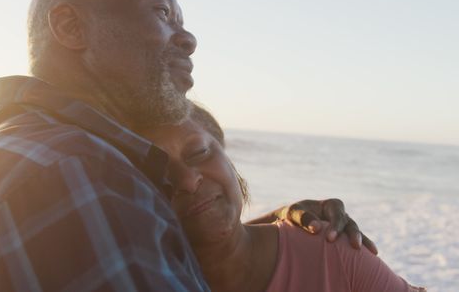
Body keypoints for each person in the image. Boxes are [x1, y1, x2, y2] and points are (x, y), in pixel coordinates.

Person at [0, 0, 372, 291]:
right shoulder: (79, 172)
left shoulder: (1, 148)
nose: (189, 39)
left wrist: (260, 235)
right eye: (161, 13)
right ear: (71, 28)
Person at [140, 103, 426, 292]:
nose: (188, 181)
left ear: (228, 156)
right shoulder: (138, 279)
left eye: (199, 152)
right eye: (158, 171)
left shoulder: (329, 254)